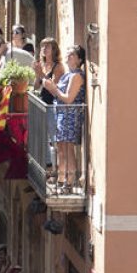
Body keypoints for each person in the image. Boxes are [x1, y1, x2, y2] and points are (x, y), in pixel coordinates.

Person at [42, 45, 86, 192]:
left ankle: (70, 182)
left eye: (72, 54)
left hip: (70, 115)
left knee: (68, 149)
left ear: (79, 59)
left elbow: (68, 99)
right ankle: (62, 180)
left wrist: (53, 89)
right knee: (61, 148)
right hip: (62, 115)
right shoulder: (69, 74)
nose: (68, 56)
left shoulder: (77, 76)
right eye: (67, 53)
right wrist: (50, 87)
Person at [34, 38, 66, 105]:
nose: (44, 48)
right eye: (42, 46)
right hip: (42, 103)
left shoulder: (58, 66)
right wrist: (37, 74)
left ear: (54, 50)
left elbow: (54, 89)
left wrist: (41, 74)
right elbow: (36, 87)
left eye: (47, 46)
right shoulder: (41, 64)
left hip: (52, 105)